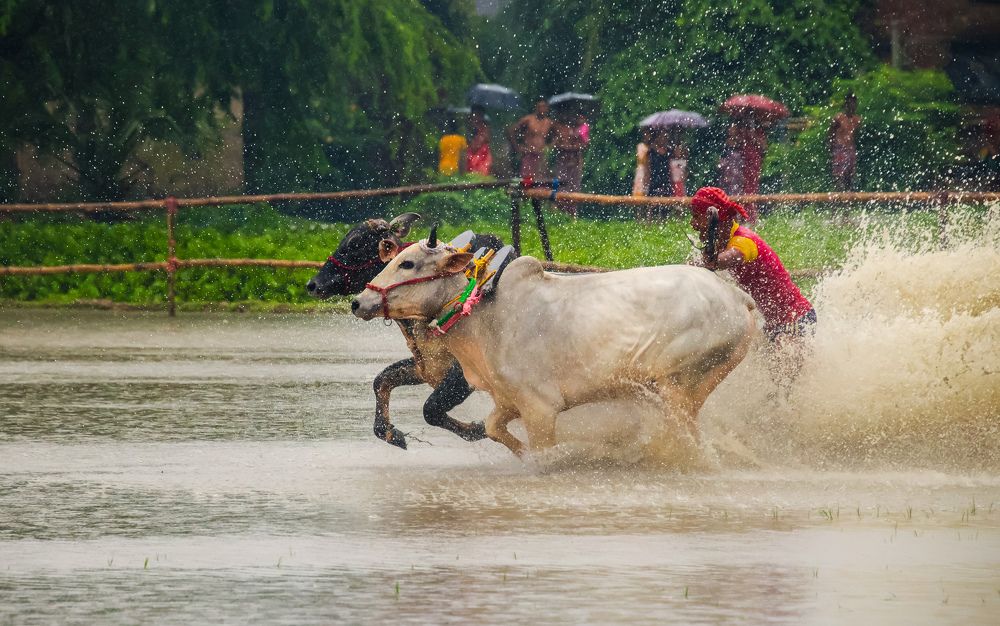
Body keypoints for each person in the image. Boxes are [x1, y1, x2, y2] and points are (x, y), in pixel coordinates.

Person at [688, 186, 815, 344]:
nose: (692, 224)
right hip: (773, 325)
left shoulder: (744, 241)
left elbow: (718, 262)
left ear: (714, 218)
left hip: (796, 318)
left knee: (786, 367)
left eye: (696, 216)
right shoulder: (723, 243)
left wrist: (697, 264)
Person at [546, 111, 586, 217]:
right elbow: (551, 143)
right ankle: (556, 211)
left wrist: (574, 146)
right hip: (562, 160)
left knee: (574, 185)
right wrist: (561, 145)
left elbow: (584, 144)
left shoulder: (577, 128)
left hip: (575, 160)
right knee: (558, 183)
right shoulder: (556, 126)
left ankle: (572, 212)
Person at [507, 99, 552, 180]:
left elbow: (558, 135)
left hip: (540, 155)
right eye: (540, 107)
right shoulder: (528, 120)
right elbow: (511, 131)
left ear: (547, 109)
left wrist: (549, 147)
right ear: (536, 108)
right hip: (528, 154)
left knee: (541, 181)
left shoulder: (549, 123)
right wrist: (517, 147)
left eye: (544, 107)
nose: (542, 109)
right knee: (527, 181)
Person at [828, 93, 861, 191]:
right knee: (839, 175)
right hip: (839, 149)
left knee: (850, 176)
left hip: (850, 149)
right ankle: (838, 199)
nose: (852, 106)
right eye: (850, 103)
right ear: (846, 104)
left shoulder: (857, 120)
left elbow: (856, 137)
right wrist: (831, 147)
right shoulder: (839, 118)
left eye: (854, 104)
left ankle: (848, 200)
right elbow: (831, 133)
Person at [466, 109, 493, 176]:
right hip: (472, 156)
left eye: (478, 115)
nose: (475, 118)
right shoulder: (470, 128)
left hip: (482, 157)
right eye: (473, 115)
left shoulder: (485, 128)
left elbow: (478, 145)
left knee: (481, 175)